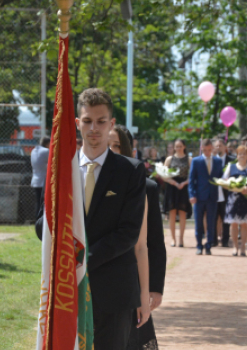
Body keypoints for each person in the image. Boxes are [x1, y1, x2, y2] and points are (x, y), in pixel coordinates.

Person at [75, 88, 146, 350]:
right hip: (67, 287)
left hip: (114, 290)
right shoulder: (62, 168)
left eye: (101, 121)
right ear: (77, 123)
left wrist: (82, 260)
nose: (94, 128)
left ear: (111, 124)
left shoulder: (131, 171)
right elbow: (41, 223)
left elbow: (128, 232)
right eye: (87, 120)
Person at [109, 125, 166, 350]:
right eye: (108, 144)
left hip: (134, 278)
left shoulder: (148, 188)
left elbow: (154, 243)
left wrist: (155, 287)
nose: (112, 150)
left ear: (127, 149)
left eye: (116, 145)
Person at [223, 145, 247, 256]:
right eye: (240, 153)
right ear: (237, 155)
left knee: (244, 224)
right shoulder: (231, 167)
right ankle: (235, 247)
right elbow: (224, 181)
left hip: (245, 199)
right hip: (233, 199)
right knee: (234, 224)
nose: (242, 156)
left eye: (244, 154)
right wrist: (233, 187)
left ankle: (243, 248)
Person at [188, 138, 223, 255]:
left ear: (212, 148)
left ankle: (208, 245)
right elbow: (191, 179)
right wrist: (192, 194)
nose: (208, 152)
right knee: (198, 222)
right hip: (198, 196)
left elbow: (221, 177)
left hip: (212, 196)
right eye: (206, 150)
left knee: (211, 222)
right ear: (202, 148)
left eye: (210, 149)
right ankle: (199, 246)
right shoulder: (196, 161)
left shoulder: (218, 161)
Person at [164, 139, 192, 247]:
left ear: (184, 147)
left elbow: (193, 175)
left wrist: (184, 183)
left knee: (182, 213)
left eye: (180, 146)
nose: (178, 148)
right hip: (172, 187)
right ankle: (173, 239)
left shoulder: (189, 159)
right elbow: (164, 175)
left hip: (184, 187)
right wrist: (174, 183)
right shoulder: (169, 159)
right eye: (176, 146)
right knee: (171, 213)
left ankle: (181, 239)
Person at [214, 138, 235, 247]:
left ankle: (225, 241)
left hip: (226, 193)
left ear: (225, 147)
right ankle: (213, 240)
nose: (218, 148)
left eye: (220, 146)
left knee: (226, 218)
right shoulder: (212, 159)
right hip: (214, 193)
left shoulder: (232, 160)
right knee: (213, 218)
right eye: (216, 146)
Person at [30, 137, 50, 217]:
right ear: (47, 143)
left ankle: (37, 221)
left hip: (35, 180)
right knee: (43, 204)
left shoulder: (34, 150)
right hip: (44, 181)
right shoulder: (46, 151)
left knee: (38, 202)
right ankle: (41, 222)